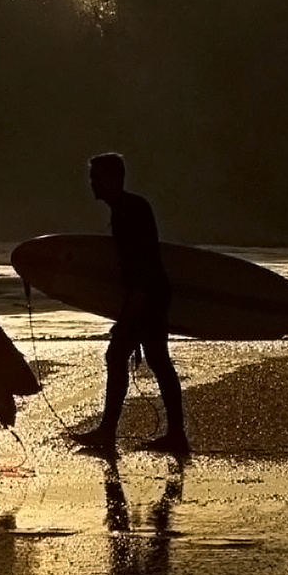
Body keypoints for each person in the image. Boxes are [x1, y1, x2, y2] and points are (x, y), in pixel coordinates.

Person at [68, 153, 189, 457]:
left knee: (120, 355)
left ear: (113, 178)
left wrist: (131, 308)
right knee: (157, 360)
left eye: (96, 177)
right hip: (153, 294)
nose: (92, 183)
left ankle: (108, 433)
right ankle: (174, 434)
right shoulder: (129, 207)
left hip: (146, 296)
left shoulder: (127, 212)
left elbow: (141, 263)